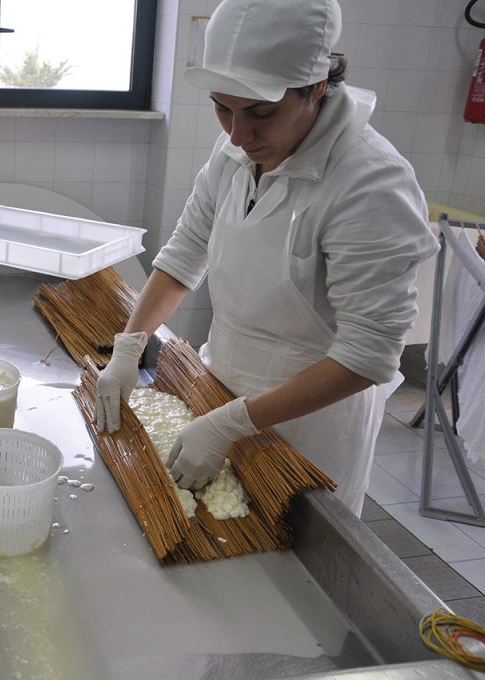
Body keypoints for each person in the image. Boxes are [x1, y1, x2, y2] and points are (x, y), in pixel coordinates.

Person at [94, 0, 438, 516]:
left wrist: (234, 423)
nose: (237, 134)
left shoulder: (370, 183)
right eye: (222, 107)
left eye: (261, 112)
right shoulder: (233, 152)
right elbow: (185, 253)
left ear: (317, 87)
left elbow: (369, 354)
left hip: (308, 423)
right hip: (217, 384)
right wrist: (128, 346)